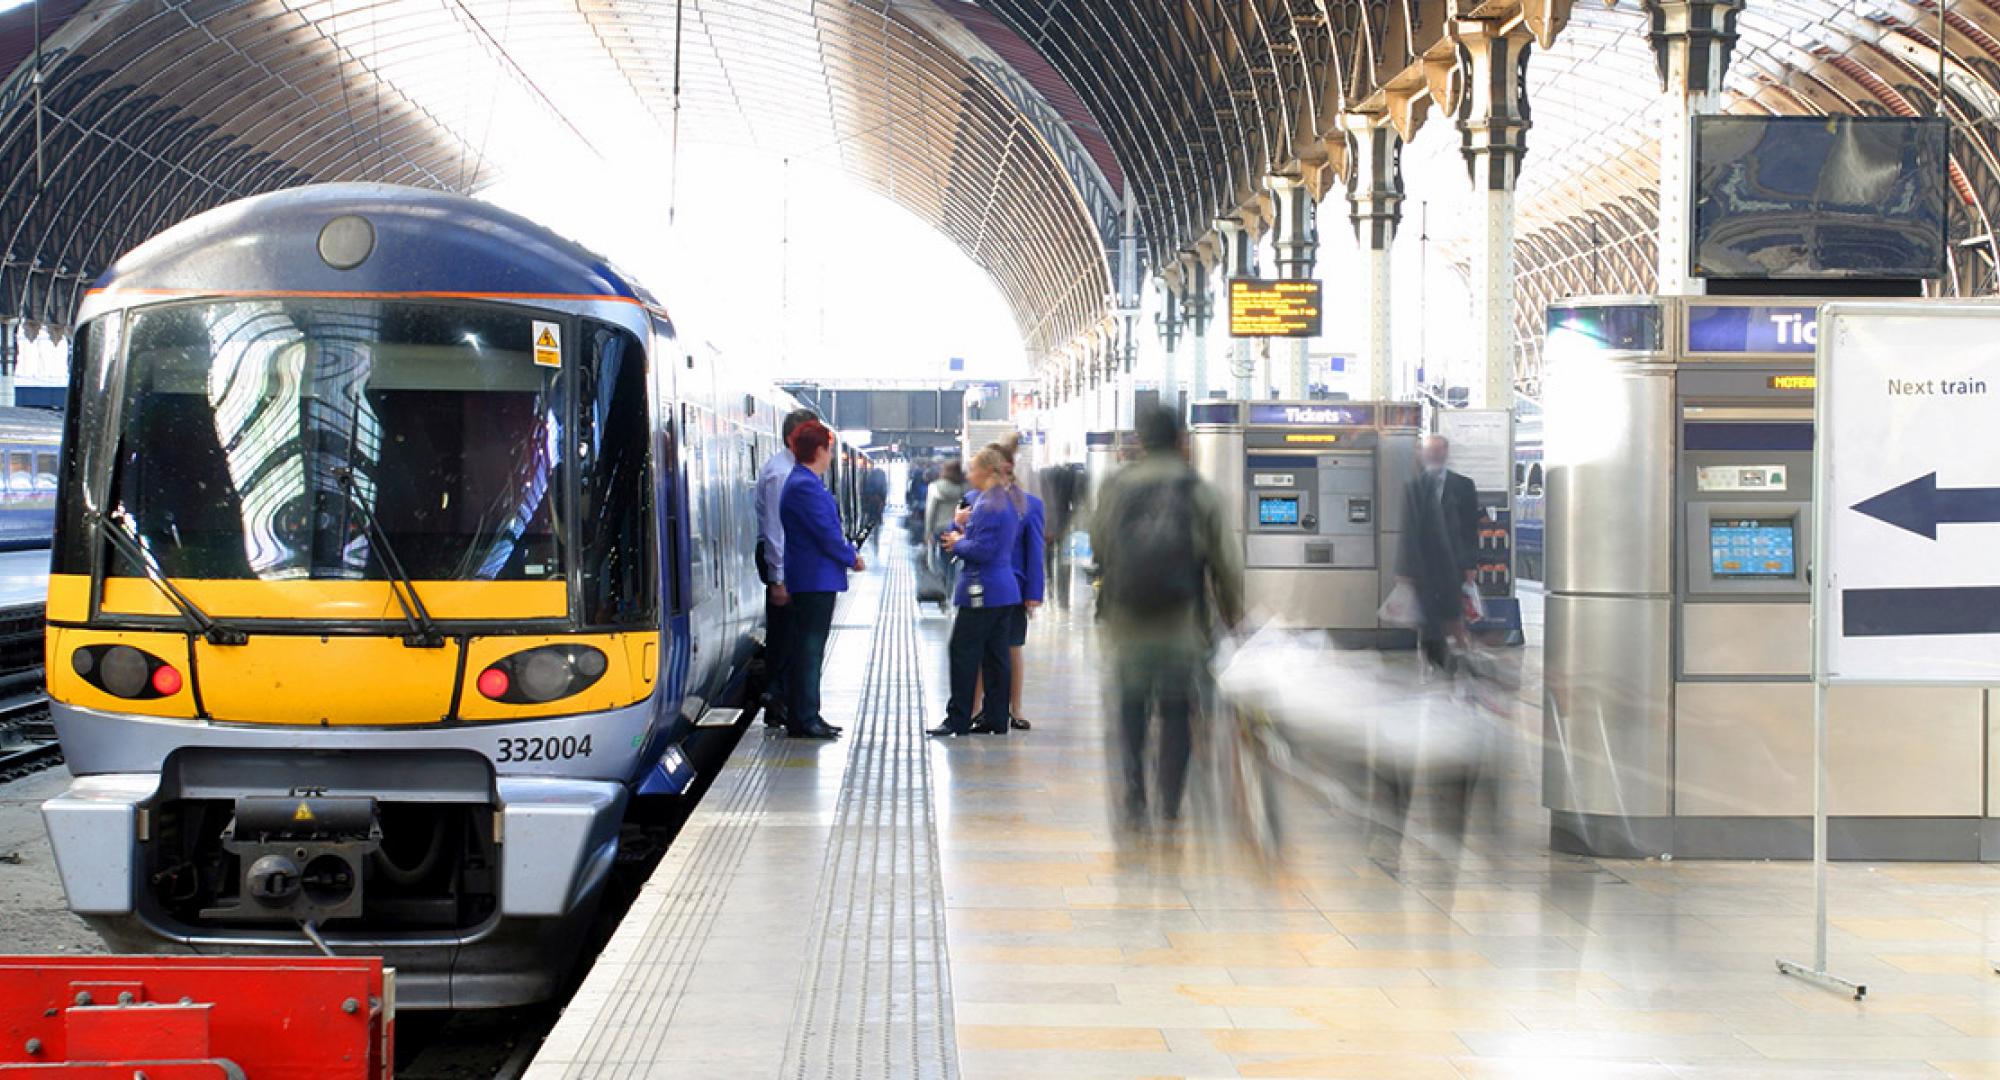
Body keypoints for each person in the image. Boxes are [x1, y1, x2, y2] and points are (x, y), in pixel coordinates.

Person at [1091, 406, 1244, 827]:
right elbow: (1227, 565)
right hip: (1182, 626)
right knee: (1178, 713)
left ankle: (1135, 794)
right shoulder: (1198, 489)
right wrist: (1232, 617)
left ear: (1140, 440)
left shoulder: (1116, 486)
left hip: (1127, 624)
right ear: (1181, 439)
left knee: (1131, 709)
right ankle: (1171, 803)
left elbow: (1100, 546)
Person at [927, 445, 1023, 737]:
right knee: (996, 655)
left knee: (963, 651)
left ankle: (957, 719)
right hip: (1003, 590)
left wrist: (957, 542)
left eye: (973, 468)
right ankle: (996, 717)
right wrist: (962, 531)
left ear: (986, 471)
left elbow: (982, 550)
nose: (969, 473)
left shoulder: (987, 505)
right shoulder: (1003, 500)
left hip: (982, 590)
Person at [780, 420, 865, 740]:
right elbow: (826, 533)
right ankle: (805, 717)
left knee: (808, 647)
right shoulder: (804, 485)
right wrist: (851, 557)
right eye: (828, 450)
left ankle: (806, 714)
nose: (831, 456)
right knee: (810, 649)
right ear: (818, 450)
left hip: (812, 578)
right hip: (814, 579)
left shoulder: (804, 482)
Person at [972, 436, 1045, 731]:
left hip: (1014, 587)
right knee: (979, 649)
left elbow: (1035, 551)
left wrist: (1034, 593)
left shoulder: (1031, 506)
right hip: (981, 585)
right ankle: (976, 707)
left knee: (1012, 647)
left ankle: (1015, 708)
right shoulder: (973, 500)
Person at [755, 407, 822, 728]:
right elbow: (775, 530)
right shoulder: (782, 474)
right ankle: (777, 698)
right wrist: (778, 578)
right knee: (786, 637)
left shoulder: (792, 469)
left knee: (791, 635)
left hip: (789, 560)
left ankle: (783, 701)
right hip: (783, 561)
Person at [1396, 434, 1481, 672]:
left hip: (1453, 565)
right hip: (1423, 567)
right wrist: (1404, 569)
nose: (1434, 455)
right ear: (1422, 455)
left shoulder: (1464, 486)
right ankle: (1435, 664)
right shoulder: (1413, 488)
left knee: (1454, 616)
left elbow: (1470, 528)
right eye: (1429, 451)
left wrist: (1471, 564)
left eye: (1438, 451)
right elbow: (1409, 529)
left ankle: (1464, 661)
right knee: (1428, 620)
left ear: (1446, 453)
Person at [923, 460, 967, 610]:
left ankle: (945, 595)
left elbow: (930, 512)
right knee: (957, 564)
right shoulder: (965, 487)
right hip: (959, 529)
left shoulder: (935, 487)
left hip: (941, 529)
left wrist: (928, 532)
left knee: (942, 563)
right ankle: (953, 594)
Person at [1039, 462, 1079, 608]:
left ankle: (1049, 590)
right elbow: (1075, 501)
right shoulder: (1071, 475)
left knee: (1048, 557)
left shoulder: (1043, 474)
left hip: (1048, 519)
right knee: (1063, 560)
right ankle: (1063, 598)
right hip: (1064, 520)